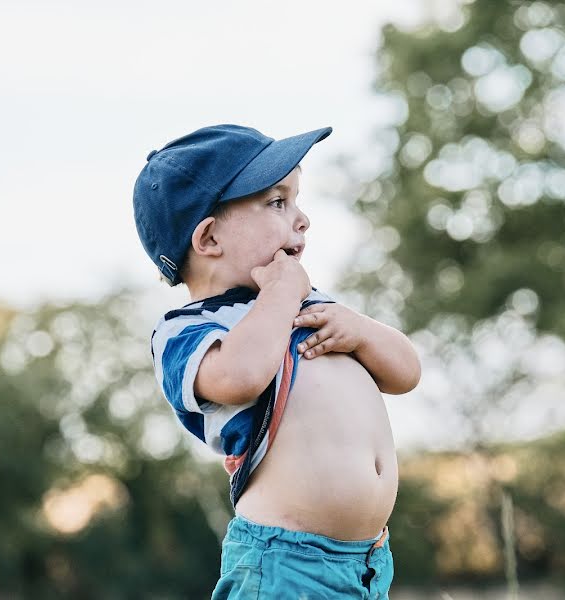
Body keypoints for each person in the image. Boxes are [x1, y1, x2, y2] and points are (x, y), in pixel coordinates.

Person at [132, 124, 421, 599]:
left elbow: (406, 373)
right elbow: (241, 377)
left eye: (296, 199)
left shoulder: (312, 305)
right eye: (277, 202)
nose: (302, 219)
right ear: (207, 239)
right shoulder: (187, 331)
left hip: (368, 561)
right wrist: (283, 293)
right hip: (284, 562)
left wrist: (362, 331)